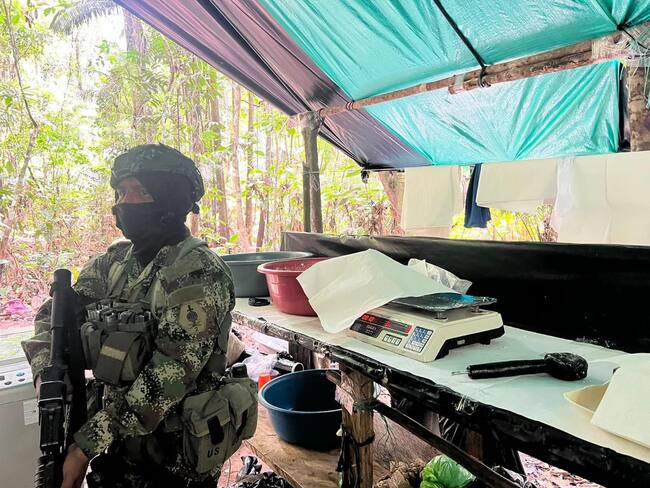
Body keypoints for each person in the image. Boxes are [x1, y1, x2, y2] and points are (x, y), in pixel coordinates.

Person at [22, 144, 255, 488]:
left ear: (172, 199)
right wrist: (47, 375)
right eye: (120, 192)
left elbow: (169, 375)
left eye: (140, 191)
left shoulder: (198, 272)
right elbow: (53, 316)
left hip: (175, 459)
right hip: (117, 449)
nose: (125, 202)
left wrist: (84, 448)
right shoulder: (113, 264)